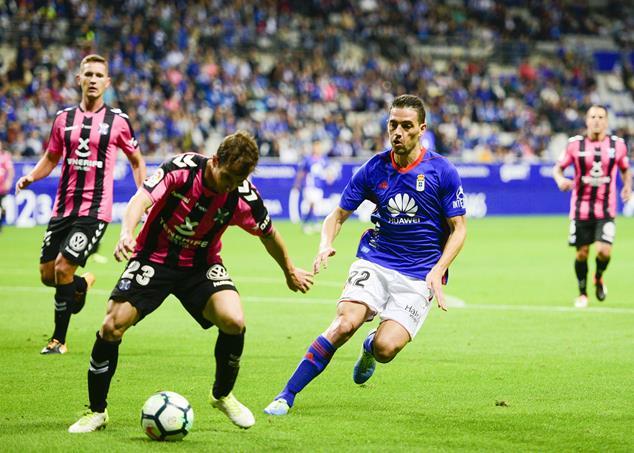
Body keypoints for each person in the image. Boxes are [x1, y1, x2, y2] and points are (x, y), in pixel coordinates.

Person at [68, 131, 314, 433]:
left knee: (234, 320)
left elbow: (270, 235)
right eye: (228, 178)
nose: (231, 186)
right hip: (153, 258)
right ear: (214, 161)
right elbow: (140, 200)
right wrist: (125, 234)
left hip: (201, 265)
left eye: (238, 181)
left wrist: (289, 271)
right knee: (111, 325)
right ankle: (97, 411)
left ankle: (222, 395)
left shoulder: (242, 194)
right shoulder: (181, 170)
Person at [264, 94, 467, 416]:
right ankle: (286, 395)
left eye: (406, 126)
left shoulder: (442, 171)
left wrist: (437, 270)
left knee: (387, 349)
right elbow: (337, 216)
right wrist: (325, 243)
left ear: (422, 129)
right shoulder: (374, 168)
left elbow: (459, 229)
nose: (397, 132)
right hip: (376, 259)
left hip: (420, 273)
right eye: (392, 125)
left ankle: (370, 350)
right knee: (345, 323)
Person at [15, 54, 147, 354]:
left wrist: (144, 195)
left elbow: (137, 160)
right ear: (79, 79)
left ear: (107, 82)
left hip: (95, 211)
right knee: (48, 275)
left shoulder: (118, 121)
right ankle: (81, 286)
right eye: (88, 74)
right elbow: (51, 157)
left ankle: (58, 340)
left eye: (99, 75)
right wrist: (31, 177)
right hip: (63, 209)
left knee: (63, 267)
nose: (93, 80)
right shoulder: (63, 118)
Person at [553, 105, 631, 308]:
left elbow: (625, 169)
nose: (597, 120)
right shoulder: (574, 145)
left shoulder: (618, 145)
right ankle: (582, 293)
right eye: (593, 116)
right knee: (582, 253)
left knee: (604, 251)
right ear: (586, 121)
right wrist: (560, 180)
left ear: (606, 121)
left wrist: (627, 187)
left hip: (606, 209)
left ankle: (598, 277)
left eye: (601, 117)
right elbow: (558, 168)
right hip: (580, 208)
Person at [293, 140, 330, 234]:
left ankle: (305, 224)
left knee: (314, 206)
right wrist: (297, 183)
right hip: (309, 186)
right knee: (312, 204)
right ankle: (315, 223)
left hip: (319, 186)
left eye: (319, 147)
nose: (317, 149)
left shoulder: (323, 159)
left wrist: (329, 176)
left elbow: (328, 171)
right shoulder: (308, 159)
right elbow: (302, 172)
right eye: (316, 147)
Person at [0, 143, 14, 231]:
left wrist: (8, 181)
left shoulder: (5, 156)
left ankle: (1, 224)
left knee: (2, 207)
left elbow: (10, 170)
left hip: (2, 187)